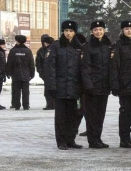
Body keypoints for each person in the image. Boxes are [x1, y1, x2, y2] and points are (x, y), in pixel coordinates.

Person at [46, 20, 92, 150]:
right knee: (61, 117)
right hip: (60, 88)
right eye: (66, 31)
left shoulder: (79, 47)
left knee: (74, 116)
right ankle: (61, 141)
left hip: (75, 88)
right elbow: (50, 68)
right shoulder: (55, 46)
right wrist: (52, 86)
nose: (68, 33)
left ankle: (70, 140)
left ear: (75, 32)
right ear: (63, 31)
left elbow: (84, 67)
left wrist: (83, 86)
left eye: (71, 31)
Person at [110, 20, 131, 148]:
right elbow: (114, 67)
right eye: (127, 28)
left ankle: (128, 138)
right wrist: (115, 85)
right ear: (122, 30)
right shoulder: (118, 46)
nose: (129, 31)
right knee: (124, 112)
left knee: (129, 112)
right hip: (124, 84)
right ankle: (123, 139)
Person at [83, 20, 112, 148]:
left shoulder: (107, 46)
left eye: (100, 29)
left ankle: (98, 138)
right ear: (92, 32)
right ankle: (92, 140)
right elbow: (86, 67)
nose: (98, 32)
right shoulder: (88, 46)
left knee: (100, 114)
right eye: (95, 30)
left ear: (104, 30)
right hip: (92, 87)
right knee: (91, 115)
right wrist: (88, 84)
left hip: (104, 86)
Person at [6, 35, 35, 110]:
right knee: (25, 91)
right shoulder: (28, 51)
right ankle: (26, 105)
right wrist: (32, 74)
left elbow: (9, 63)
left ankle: (17, 105)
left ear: (17, 41)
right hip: (26, 74)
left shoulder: (13, 51)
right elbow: (31, 63)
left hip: (16, 75)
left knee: (16, 91)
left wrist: (8, 73)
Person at [36, 34, 55, 110]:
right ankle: (50, 104)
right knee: (47, 90)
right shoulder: (40, 51)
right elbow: (38, 63)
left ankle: (52, 104)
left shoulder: (53, 50)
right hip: (45, 74)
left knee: (52, 89)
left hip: (52, 73)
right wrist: (41, 73)